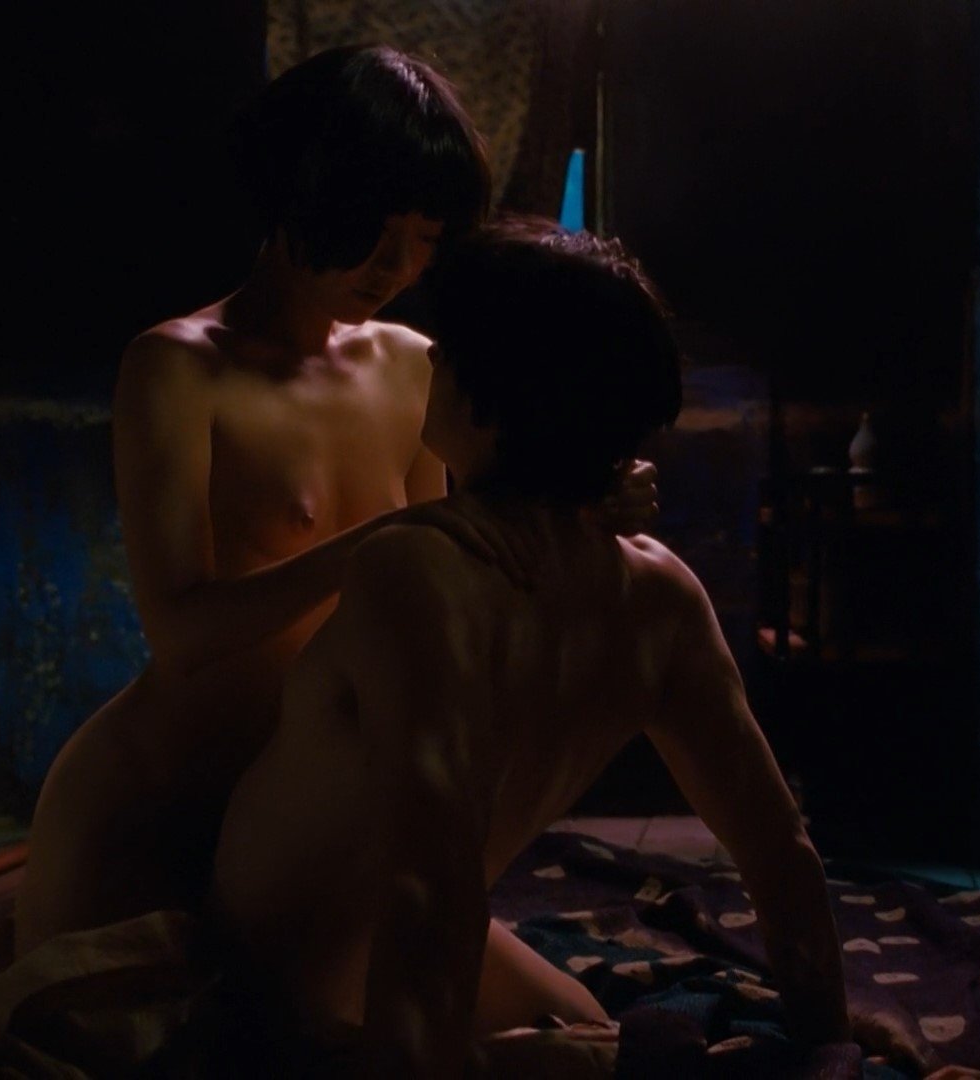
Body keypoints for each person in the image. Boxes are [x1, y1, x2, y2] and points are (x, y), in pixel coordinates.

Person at [0, 45, 654, 1075]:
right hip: (154, 810)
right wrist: (393, 538)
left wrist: (579, 507)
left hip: (305, 819)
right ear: (303, 198)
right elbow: (183, 630)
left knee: (576, 1028)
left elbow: (452, 581)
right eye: (376, 234)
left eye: (423, 241)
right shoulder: (179, 368)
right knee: (63, 1035)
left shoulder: (415, 367)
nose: (398, 269)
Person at [211, 218, 849, 1077]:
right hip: (335, 955)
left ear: (484, 398)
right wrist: (825, 1034)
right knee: (592, 1039)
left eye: (449, 351)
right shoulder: (660, 593)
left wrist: (827, 1056)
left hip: (274, 979)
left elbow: (429, 891)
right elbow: (781, 856)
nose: (430, 360)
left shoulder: (420, 573)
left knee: (589, 1044)